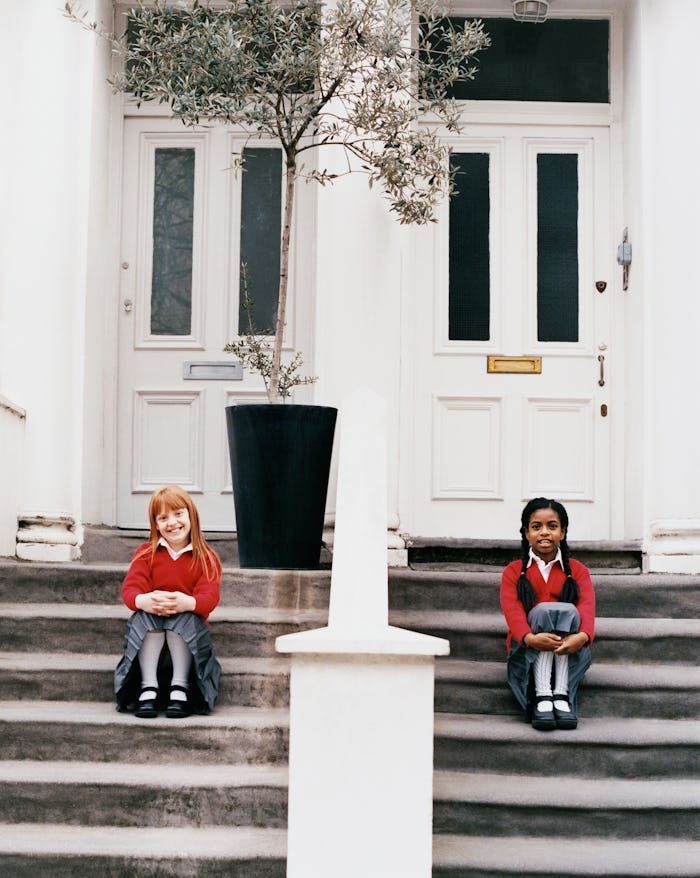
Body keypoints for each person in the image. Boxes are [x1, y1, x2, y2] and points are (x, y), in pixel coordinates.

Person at [114, 485, 222, 718]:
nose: (172, 522)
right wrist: (144, 600)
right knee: (145, 617)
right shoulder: (146, 554)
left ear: (191, 515)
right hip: (152, 629)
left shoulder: (206, 557)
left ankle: (180, 687)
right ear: (155, 524)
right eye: (163, 518)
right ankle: (148, 687)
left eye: (178, 514)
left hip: (189, 635)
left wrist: (188, 603)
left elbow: (210, 597)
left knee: (181, 619)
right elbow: (130, 590)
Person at [500, 497, 595, 731]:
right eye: (536, 527)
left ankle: (560, 693)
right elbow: (513, 612)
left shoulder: (578, 571)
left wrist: (582, 636)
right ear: (526, 533)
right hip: (528, 644)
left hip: (568, 646)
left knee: (569, 610)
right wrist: (530, 638)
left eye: (552, 526)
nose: (545, 532)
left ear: (562, 532)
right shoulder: (513, 572)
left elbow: (587, 608)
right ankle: (543, 693)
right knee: (543, 610)